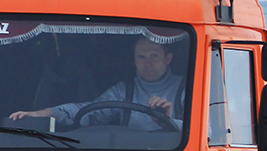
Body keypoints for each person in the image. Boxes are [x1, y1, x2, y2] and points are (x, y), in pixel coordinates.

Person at [9, 36, 184, 130]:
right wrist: (41, 114)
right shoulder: (125, 90)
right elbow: (86, 110)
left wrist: (167, 122)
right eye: (141, 57)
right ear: (134, 61)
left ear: (168, 58)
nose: (148, 63)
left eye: (154, 56)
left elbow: (207, 134)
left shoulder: (187, 88)